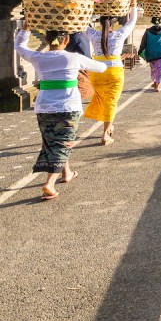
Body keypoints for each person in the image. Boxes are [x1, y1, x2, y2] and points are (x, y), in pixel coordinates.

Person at [15, 20, 109, 200]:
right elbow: (102, 67)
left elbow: (19, 47)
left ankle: (67, 173)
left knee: (52, 141)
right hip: (68, 107)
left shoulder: (38, 57)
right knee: (63, 143)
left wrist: (25, 29)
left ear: (47, 39)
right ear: (66, 40)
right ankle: (49, 184)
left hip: (44, 107)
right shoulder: (73, 58)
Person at [84, 0, 138, 144]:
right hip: (114, 72)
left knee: (103, 98)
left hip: (96, 73)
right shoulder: (119, 35)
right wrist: (133, 3)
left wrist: (88, 3)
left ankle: (109, 126)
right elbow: (132, 21)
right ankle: (105, 134)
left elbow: (81, 22)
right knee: (111, 101)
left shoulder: (94, 35)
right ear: (114, 23)